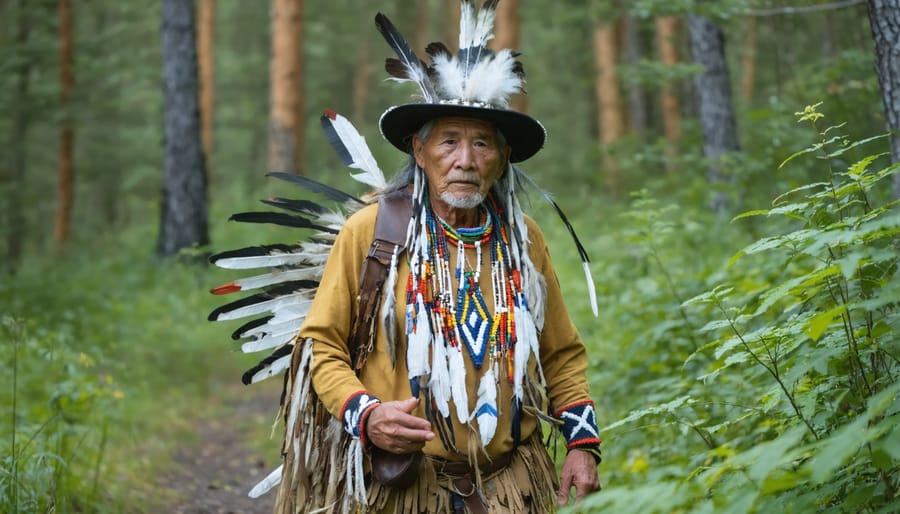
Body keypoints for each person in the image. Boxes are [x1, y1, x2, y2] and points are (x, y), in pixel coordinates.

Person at [273, 1, 601, 512]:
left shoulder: (524, 240)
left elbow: (562, 354)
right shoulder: (374, 233)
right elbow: (321, 344)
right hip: (404, 486)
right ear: (418, 151)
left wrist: (583, 445)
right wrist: (367, 414)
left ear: (503, 158)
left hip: (510, 483)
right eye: (448, 141)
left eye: (482, 144)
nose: (465, 160)